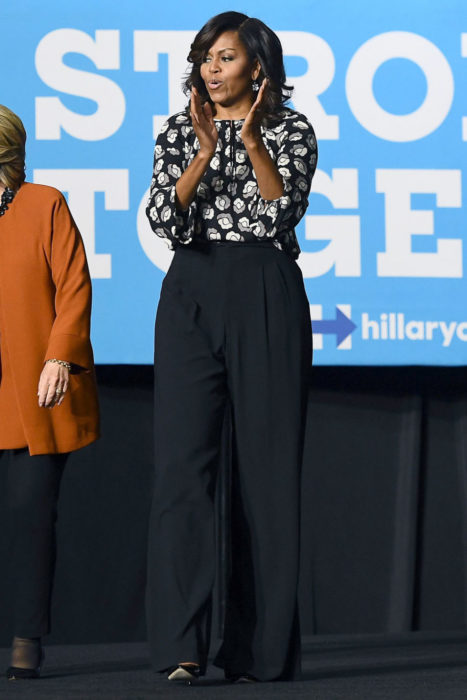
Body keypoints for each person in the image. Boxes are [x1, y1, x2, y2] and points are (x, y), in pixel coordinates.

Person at [146, 11, 317, 684]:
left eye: (224, 58)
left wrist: (249, 148)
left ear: (256, 67)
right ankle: (180, 648)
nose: (211, 70)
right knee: (181, 474)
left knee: (267, 479)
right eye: (204, 59)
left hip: (265, 289)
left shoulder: (291, 130)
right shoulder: (176, 130)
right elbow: (165, 217)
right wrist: (201, 154)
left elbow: (280, 213)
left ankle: (260, 651)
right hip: (191, 289)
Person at [0, 105, 100, 680]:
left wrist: (59, 353)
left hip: (32, 389)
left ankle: (25, 640)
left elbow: (74, 283)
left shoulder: (44, 204)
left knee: (31, 515)